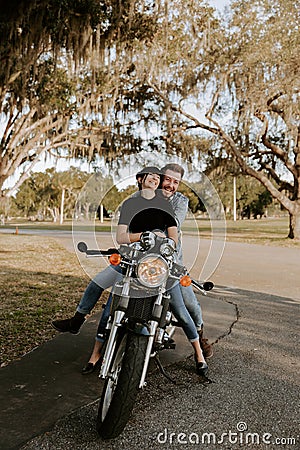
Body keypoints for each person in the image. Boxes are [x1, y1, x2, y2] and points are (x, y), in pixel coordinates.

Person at [53, 166, 208, 376]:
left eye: (175, 182)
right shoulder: (133, 202)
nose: (169, 185)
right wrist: (143, 235)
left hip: (165, 262)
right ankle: (89, 340)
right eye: (165, 180)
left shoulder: (176, 202)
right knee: (106, 295)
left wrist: (156, 236)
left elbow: (173, 231)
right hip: (133, 258)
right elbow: (122, 235)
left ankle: (199, 344)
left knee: (185, 306)